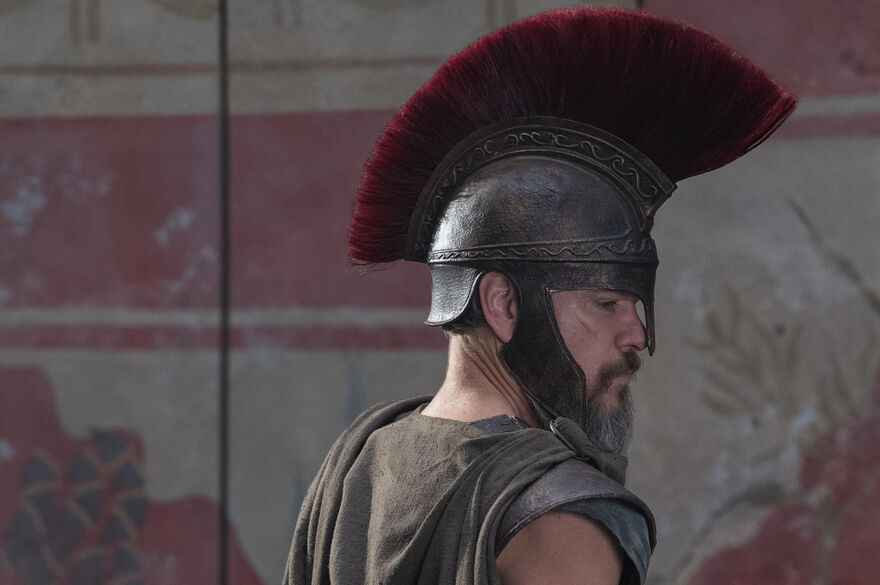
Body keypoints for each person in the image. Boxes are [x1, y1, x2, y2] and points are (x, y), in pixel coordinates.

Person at [284, 7, 795, 585]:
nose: (638, 336)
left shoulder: (361, 461)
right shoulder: (559, 517)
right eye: (607, 304)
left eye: (634, 307)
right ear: (502, 304)